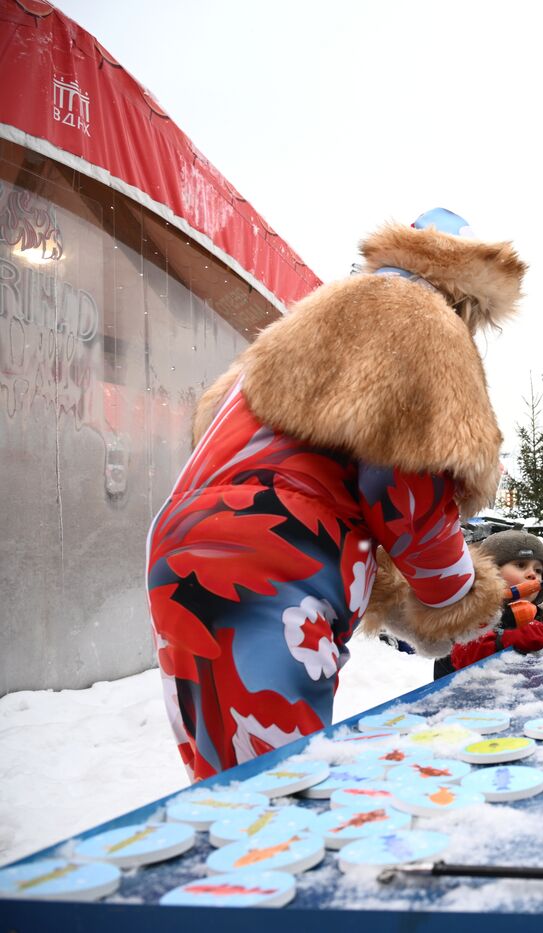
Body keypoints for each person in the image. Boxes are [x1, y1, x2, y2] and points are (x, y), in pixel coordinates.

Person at [147, 208, 521, 780]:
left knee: (223, 774)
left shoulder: (316, 318)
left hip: (182, 544)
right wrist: (456, 596)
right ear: (469, 290)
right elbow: (401, 482)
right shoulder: (421, 320)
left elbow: (239, 437)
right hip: (274, 554)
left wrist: (389, 593)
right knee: (281, 785)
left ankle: (232, 868)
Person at [431, 531, 543, 678]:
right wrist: (507, 639)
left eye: (538, 570)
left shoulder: (531, 613)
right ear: (490, 573)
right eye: (520, 565)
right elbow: (464, 654)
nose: (533, 575)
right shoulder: (470, 613)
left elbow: (531, 641)